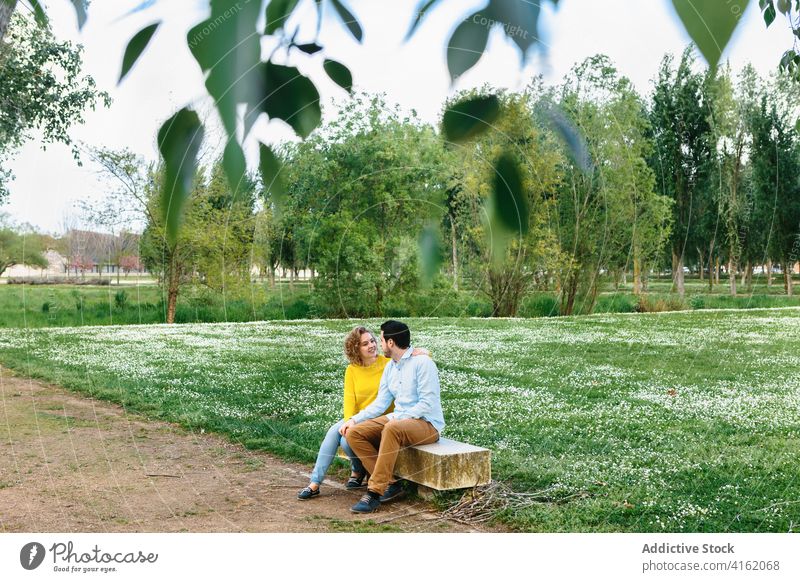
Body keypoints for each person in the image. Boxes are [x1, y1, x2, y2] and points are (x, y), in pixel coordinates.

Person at [297, 326, 428, 500]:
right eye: (365, 344)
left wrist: (423, 351)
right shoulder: (351, 370)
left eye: (373, 341)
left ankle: (358, 471)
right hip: (361, 417)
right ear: (355, 349)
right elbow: (349, 401)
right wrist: (349, 420)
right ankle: (315, 483)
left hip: (383, 417)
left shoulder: (388, 363)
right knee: (335, 432)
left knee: (346, 440)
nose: (371, 345)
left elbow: (412, 361)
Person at [341, 320, 445, 513]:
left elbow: (427, 403)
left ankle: (374, 493)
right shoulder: (391, 367)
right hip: (399, 419)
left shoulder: (423, 363)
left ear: (390, 343)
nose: (378, 345)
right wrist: (354, 419)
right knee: (355, 433)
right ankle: (391, 483)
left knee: (392, 427)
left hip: (427, 424)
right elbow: (381, 403)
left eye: (380, 340)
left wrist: (400, 418)